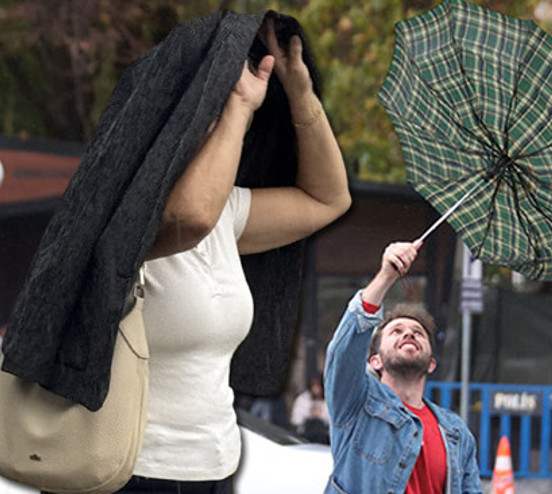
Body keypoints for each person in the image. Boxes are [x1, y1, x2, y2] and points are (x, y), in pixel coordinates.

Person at [119, 17, 350, 493]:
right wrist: (241, 105)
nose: (236, 137)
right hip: (130, 472)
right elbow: (191, 218)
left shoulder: (228, 214)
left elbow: (328, 199)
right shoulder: (129, 210)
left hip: (213, 467)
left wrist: (299, 91)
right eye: (213, 115)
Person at [324, 241, 482, 493]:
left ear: (431, 364)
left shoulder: (456, 432)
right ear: (375, 361)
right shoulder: (355, 403)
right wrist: (386, 276)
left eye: (418, 333)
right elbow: (344, 351)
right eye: (396, 331)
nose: (408, 334)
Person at [291, 374, 330, 443]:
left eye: (318, 386)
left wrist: (321, 413)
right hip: (305, 434)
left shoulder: (329, 400)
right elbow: (296, 420)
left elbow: (332, 421)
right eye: (313, 385)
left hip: (324, 436)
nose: (315, 389)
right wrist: (309, 413)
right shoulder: (303, 399)